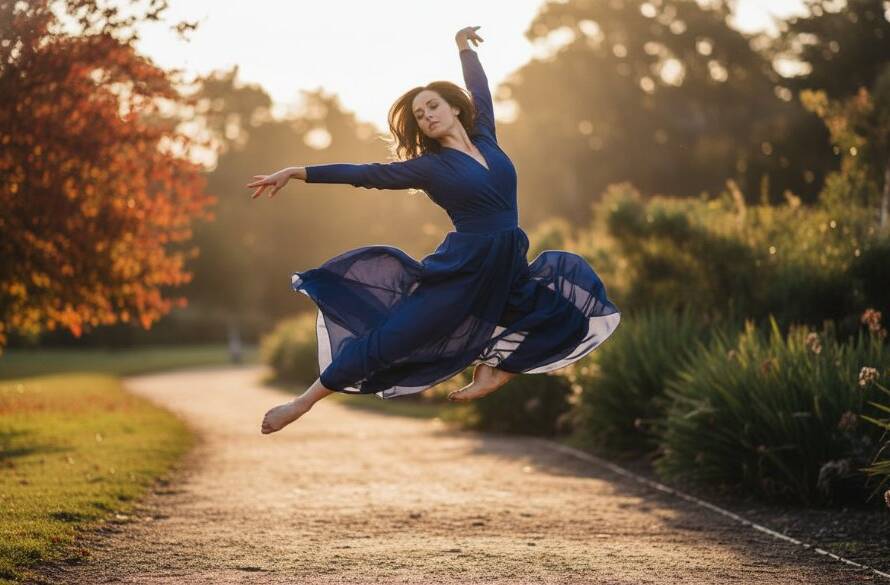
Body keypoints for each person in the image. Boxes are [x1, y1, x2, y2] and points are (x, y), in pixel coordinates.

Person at [248, 26, 621, 435]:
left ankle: (496, 373)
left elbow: (480, 90)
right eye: (419, 116)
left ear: (454, 108)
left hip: (507, 264)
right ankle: (301, 403)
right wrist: (297, 172)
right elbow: (366, 174)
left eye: (431, 107)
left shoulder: (486, 136)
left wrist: (463, 48)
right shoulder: (429, 167)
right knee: (392, 340)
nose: (426, 117)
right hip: (462, 271)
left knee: (566, 315)